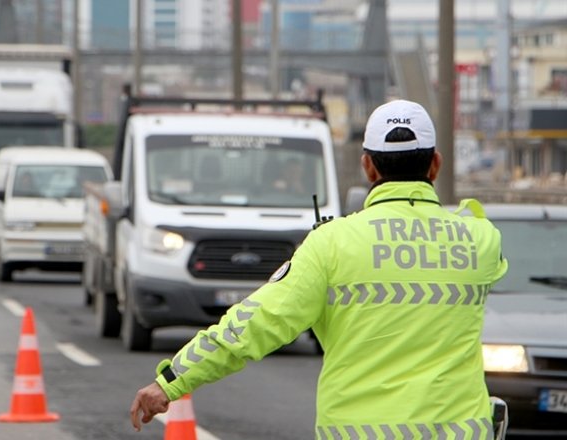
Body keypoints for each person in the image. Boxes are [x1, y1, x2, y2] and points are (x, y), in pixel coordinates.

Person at [130, 99, 509, 438]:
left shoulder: (332, 243)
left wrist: (172, 381)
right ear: (436, 163)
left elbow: (253, 324)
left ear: (368, 167)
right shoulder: (479, 239)